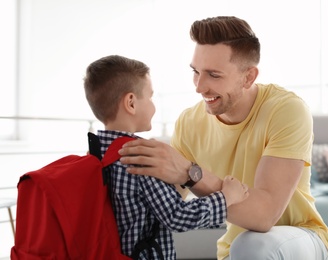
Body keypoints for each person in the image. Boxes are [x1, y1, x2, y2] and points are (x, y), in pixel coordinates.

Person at [118, 16, 328, 260]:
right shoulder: (189, 122)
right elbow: (169, 204)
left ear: (249, 77)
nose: (199, 87)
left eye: (214, 75)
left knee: (254, 246)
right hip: (236, 250)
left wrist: (190, 173)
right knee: (246, 247)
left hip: (302, 238)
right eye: (195, 72)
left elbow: (265, 216)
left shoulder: (286, 110)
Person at [83, 54, 249, 259]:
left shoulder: (95, 154)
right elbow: (178, 217)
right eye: (150, 97)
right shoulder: (140, 158)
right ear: (131, 103)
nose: (153, 105)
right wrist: (226, 197)